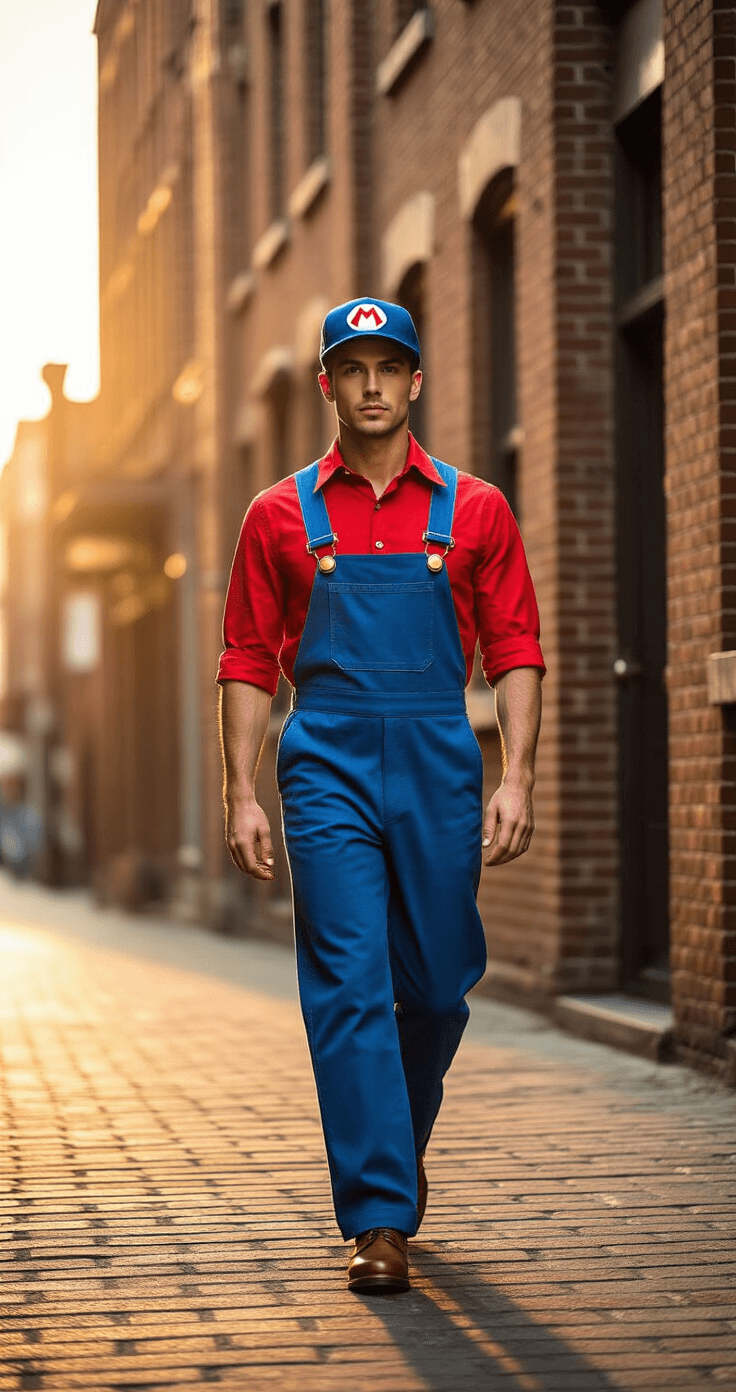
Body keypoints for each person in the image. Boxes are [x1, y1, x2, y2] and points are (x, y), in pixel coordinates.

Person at [218, 297, 544, 1293]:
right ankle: (377, 1215)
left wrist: (517, 774)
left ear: (413, 381)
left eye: (386, 367)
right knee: (350, 983)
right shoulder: (277, 514)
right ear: (327, 384)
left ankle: (389, 1147)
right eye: (350, 368)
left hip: (440, 753)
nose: (370, 385)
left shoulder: (476, 508)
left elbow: (515, 649)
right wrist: (240, 789)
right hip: (325, 758)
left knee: (439, 981)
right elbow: (243, 659)